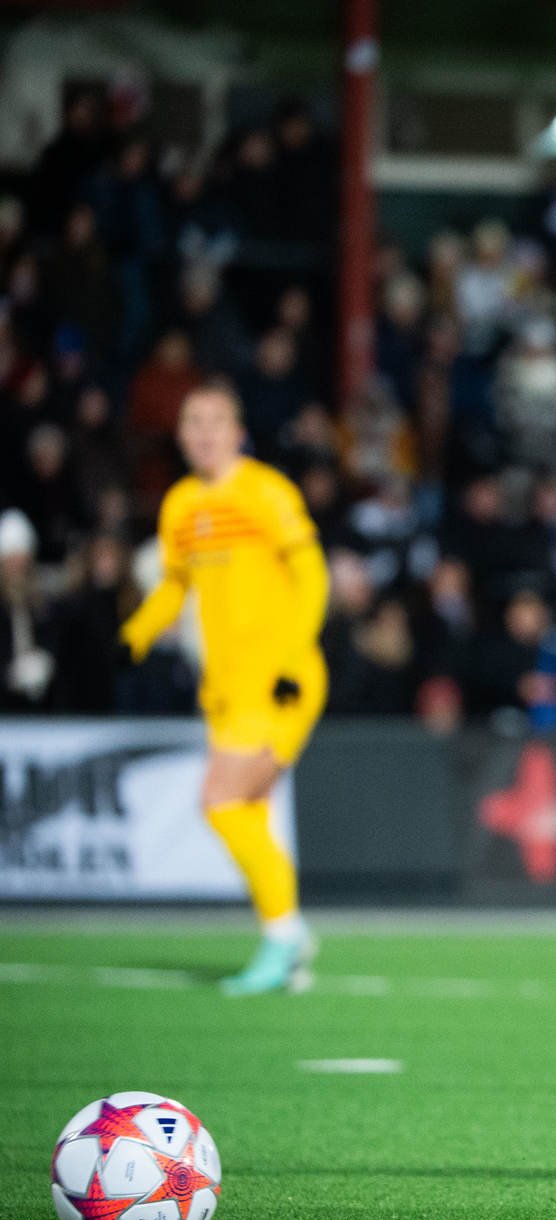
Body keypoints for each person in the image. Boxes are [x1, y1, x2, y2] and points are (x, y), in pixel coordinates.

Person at [120, 382, 329, 995]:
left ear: (238, 430)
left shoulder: (266, 490)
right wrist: (134, 633)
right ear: (180, 434)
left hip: (278, 681)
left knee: (220, 801)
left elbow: (312, 576)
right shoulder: (181, 503)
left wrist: (291, 658)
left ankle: (284, 934)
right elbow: (172, 587)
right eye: (193, 421)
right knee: (248, 810)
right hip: (227, 689)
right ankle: (287, 932)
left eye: (215, 420)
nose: (204, 432)